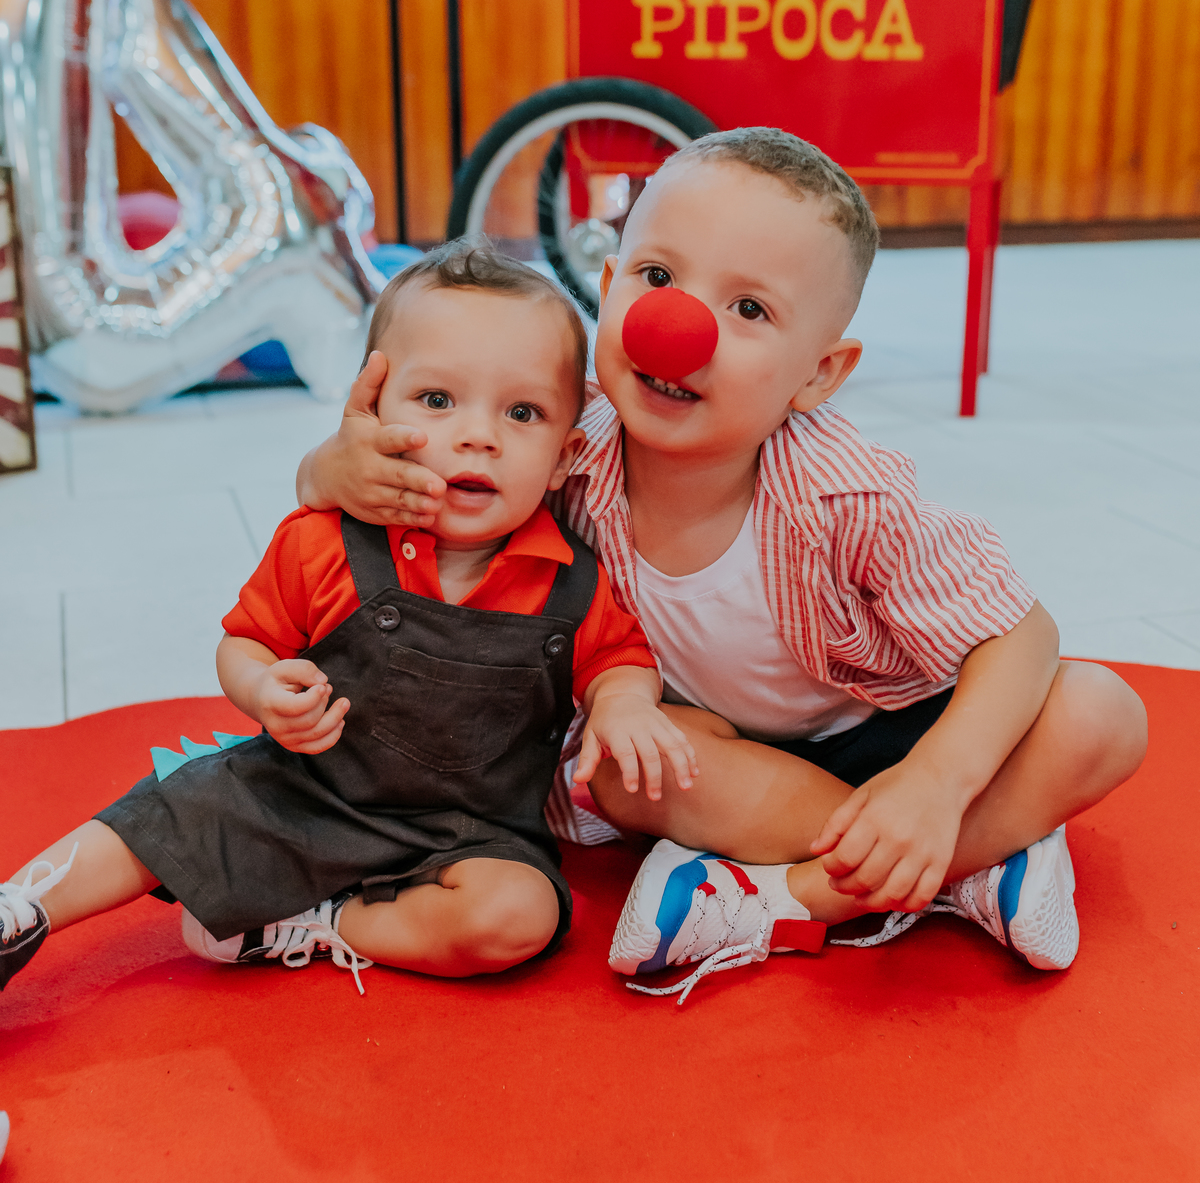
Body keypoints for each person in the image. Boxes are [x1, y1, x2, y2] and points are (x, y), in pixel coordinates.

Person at [291, 129, 1147, 1001]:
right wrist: (328, 470)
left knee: (1101, 711)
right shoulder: (557, 451)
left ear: (818, 374)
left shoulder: (842, 492)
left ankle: (788, 895)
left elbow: (1021, 634)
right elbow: (423, 484)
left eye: (750, 310)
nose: (678, 327)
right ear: (610, 280)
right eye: (658, 277)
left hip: (900, 731)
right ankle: (975, 867)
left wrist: (934, 786)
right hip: (733, 760)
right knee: (623, 767)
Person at [0, 244, 690, 998]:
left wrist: (622, 704)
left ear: (564, 458)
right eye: (436, 401)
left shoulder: (572, 581)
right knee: (163, 819)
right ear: (370, 413)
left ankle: (323, 922)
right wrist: (263, 692)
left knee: (520, 919)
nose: (477, 435)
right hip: (301, 793)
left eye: (522, 412)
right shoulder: (324, 540)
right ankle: (23, 905)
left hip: (464, 839)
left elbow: (619, 659)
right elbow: (245, 642)